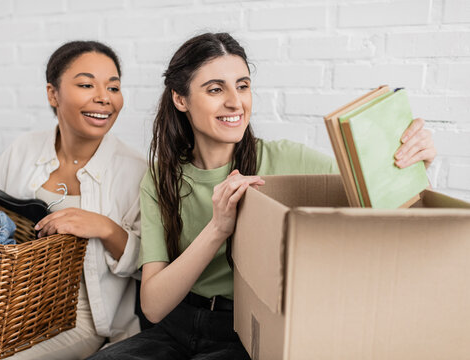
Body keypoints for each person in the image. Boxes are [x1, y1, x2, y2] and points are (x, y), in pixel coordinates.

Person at [88, 32, 437, 360]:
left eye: (243, 86)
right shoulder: (162, 178)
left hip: (245, 330)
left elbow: (383, 207)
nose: (235, 102)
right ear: (181, 99)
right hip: (172, 326)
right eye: (214, 89)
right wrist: (218, 229)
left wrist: (415, 164)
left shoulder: (287, 160)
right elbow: (152, 305)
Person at [0, 40, 146, 360]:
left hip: (78, 318)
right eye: (87, 84)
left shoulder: (137, 170)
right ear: (53, 94)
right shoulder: (23, 148)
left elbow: (151, 267)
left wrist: (104, 227)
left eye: (113, 87)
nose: (104, 97)